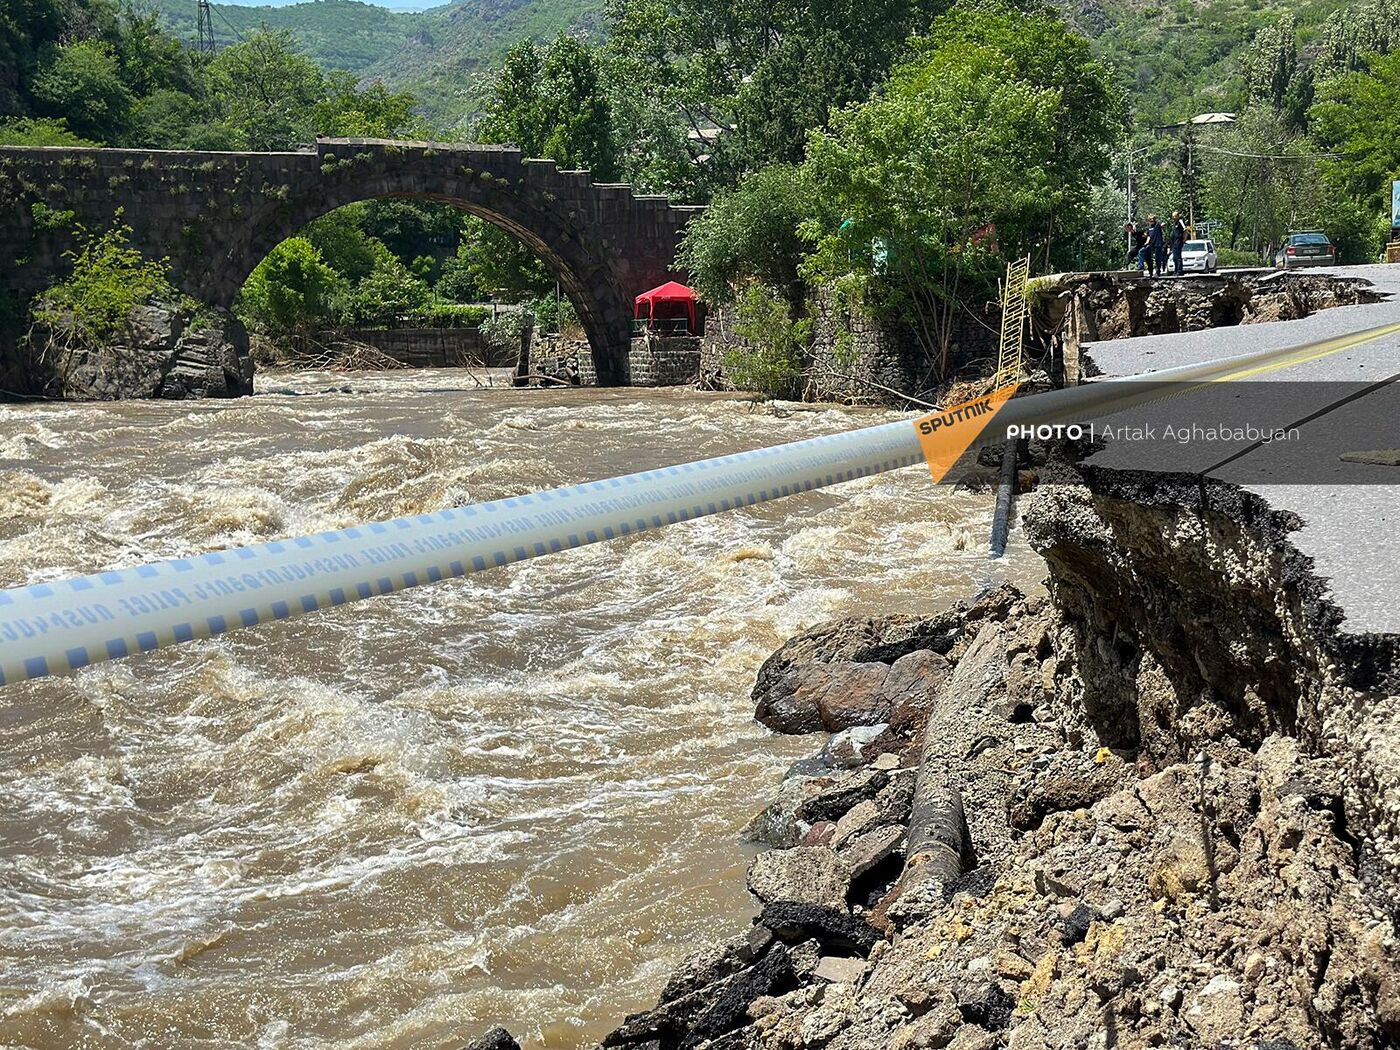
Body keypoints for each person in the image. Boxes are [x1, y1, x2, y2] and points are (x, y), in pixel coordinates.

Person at [1171, 211, 1187, 276]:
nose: (1174, 217)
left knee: (1178, 257)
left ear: (1178, 216)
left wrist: (1184, 239)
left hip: (1179, 241)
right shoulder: (1174, 223)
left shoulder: (1180, 221)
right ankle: (1175, 270)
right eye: (1173, 216)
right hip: (1174, 242)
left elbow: (1185, 229)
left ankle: (1179, 271)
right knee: (1174, 257)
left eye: (1175, 216)